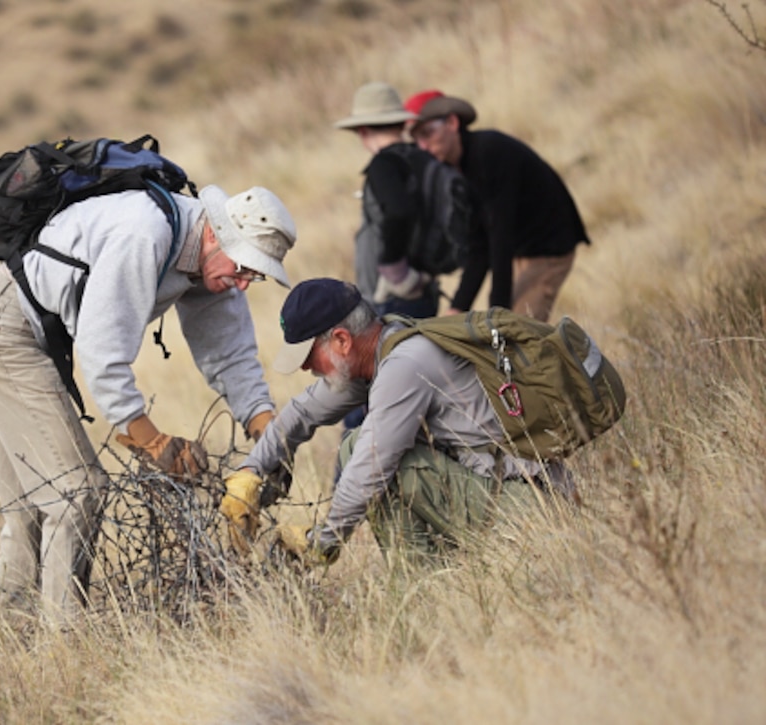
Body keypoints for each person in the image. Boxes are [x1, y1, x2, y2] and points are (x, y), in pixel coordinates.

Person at [0, 183, 297, 625]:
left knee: (32, 505)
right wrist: (152, 442)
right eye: (246, 266)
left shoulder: (210, 264)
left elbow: (231, 355)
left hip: (29, 338)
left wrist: (267, 434)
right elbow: (102, 353)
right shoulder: (146, 234)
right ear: (217, 235)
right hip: (2, 331)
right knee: (77, 492)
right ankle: (64, 651)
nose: (245, 282)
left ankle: (8, 644)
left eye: (258, 274)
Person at [220, 278, 571, 565]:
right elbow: (302, 413)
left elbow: (370, 467)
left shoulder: (405, 365)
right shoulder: (378, 350)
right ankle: (426, 582)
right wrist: (249, 472)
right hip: (497, 491)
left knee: (367, 454)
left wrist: (320, 543)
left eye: (310, 356)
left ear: (341, 340)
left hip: (528, 509)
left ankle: (421, 582)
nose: (305, 369)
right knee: (363, 452)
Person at [403, 90, 589, 322]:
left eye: (428, 133)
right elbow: (479, 246)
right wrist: (457, 309)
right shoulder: (455, 171)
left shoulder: (490, 153)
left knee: (518, 331)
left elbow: (500, 236)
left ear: (452, 122)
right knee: (507, 328)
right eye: (417, 139)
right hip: (521, 250)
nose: (423, 146)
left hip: (549, 248)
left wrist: (497, 313)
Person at [333, 81, 440, 320]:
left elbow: (398, 212)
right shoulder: (421, 159)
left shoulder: (384, 165)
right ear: (402, 123)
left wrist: (395, 273)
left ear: (362, 131)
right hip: (423, 287)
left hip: (394, 296)